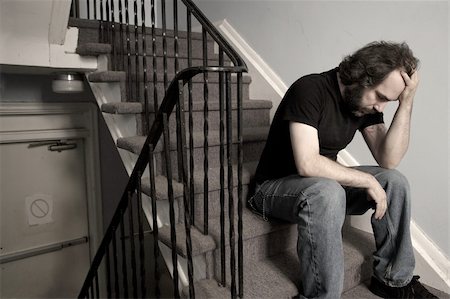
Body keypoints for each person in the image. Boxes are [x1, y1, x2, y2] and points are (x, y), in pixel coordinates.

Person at [248, 41, 438, 298]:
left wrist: (406, 102)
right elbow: (308, 163)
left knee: (394, 181)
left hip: (320, 187)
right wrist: (366, 182)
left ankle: (393, 280)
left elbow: (388, 159)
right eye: (381, 97)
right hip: (273, 189)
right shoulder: (310, 89)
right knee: (327, 192)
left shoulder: (361, 103)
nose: (381, 107)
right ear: (360, 77)